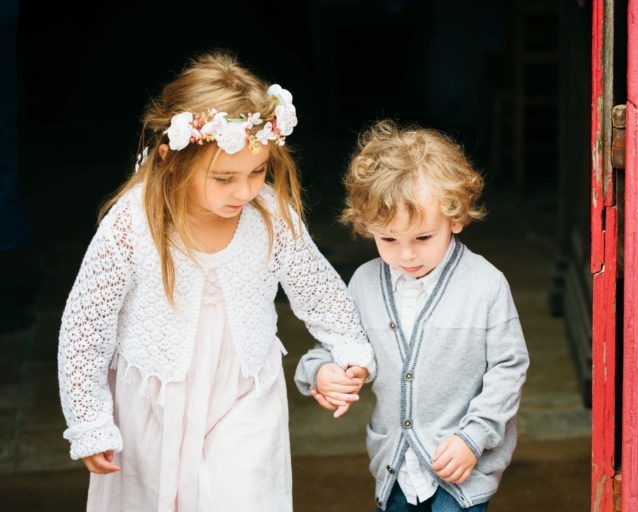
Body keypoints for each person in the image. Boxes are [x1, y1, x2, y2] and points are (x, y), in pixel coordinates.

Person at [57, 51, 374, 511]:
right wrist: (90, 421)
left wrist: (350, 352)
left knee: (243, 497)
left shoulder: (270, 215)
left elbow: (318, 288)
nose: (245, 191)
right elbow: (86, 328)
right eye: (224, 178)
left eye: (257, 171)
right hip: (155, 397)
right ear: (170, 159)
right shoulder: (133, 222)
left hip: (243, 391)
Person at [296, 120, 530, 511]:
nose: (406, 255)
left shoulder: (486, 284)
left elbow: (509, 367)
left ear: (455, 218)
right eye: (388, 239)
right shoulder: (364, 283)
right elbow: (333, 345)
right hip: (394, 467)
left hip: (461, 467)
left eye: (423, 237)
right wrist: (321, 372)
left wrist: (474, 437)